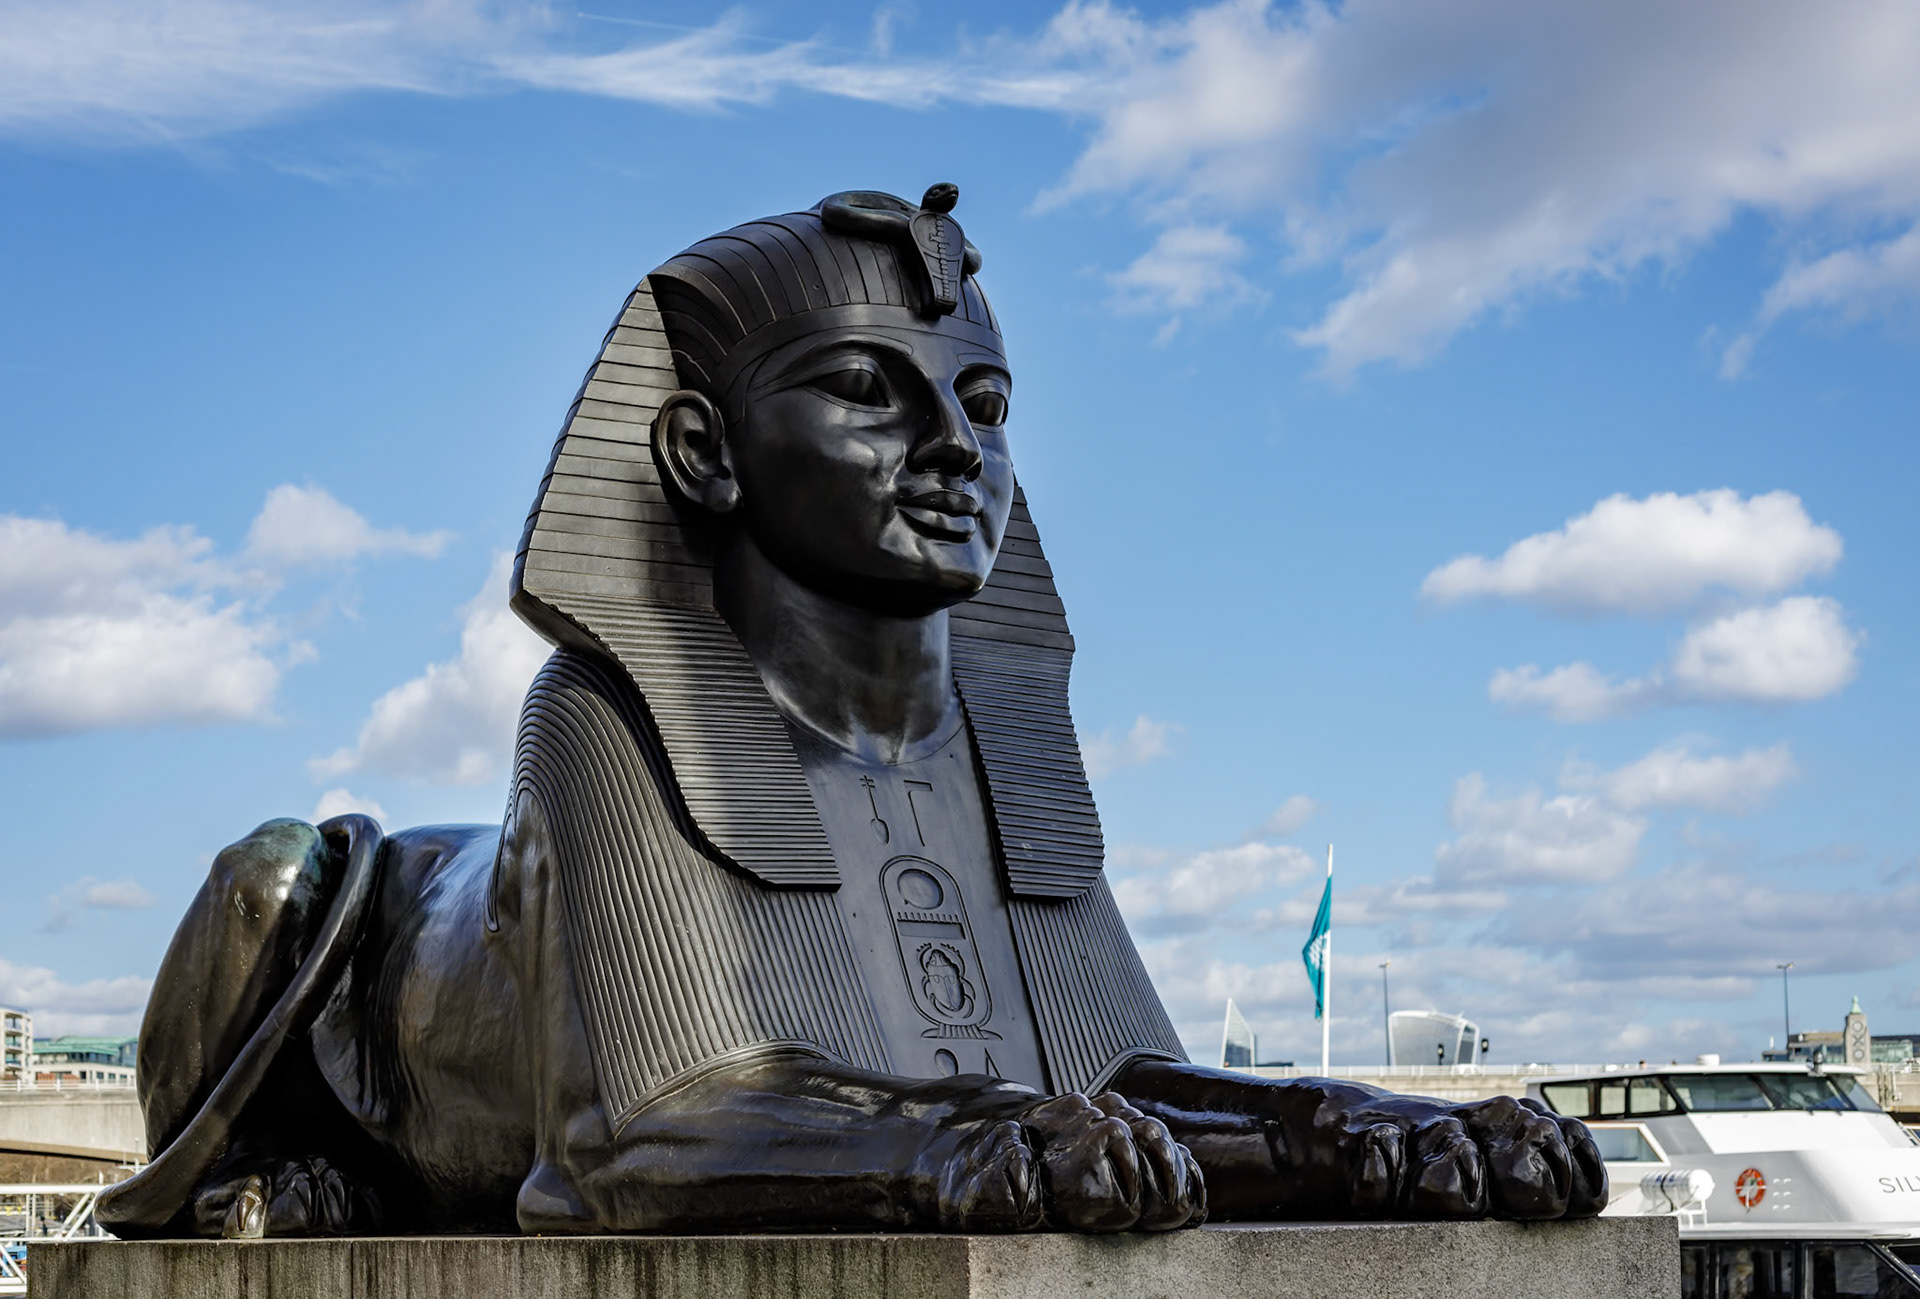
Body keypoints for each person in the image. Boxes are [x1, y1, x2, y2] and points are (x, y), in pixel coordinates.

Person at [99, 187, 1604, 1240]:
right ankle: (257, 1152)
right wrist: (954, 1144)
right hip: (378, 1021)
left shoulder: (998, 743)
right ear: (700, 451)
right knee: (281, 870)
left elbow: (1114, 1089)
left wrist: (1359, 1133)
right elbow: (628, 1143)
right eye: (868, 391)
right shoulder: (607, 719)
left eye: (988, 405)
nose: (956, 447)